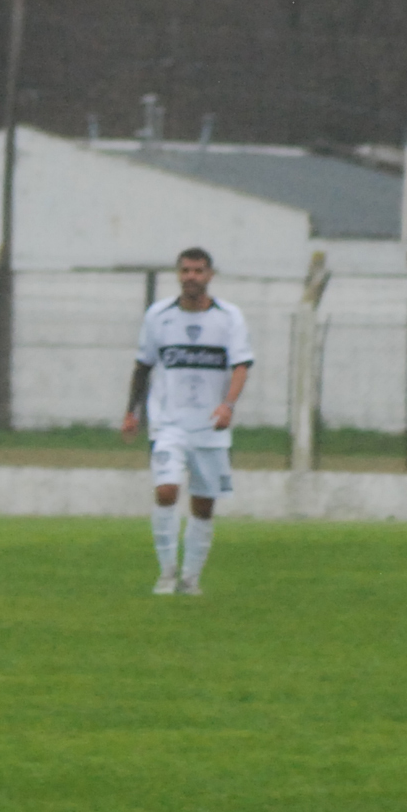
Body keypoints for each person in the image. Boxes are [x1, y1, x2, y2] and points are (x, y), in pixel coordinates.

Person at [121, 248, 254, 594]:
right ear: (178, 275)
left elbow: (241, 365)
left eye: (198, 271)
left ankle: (190, 578)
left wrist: (228, 405)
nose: (191, 277)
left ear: (210, 275)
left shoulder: (229, 317)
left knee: (203, 504)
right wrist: (131, 412)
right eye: (185, 271)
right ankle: (166, 572)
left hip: (211, 426)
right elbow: (144, 365)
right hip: (168, 423)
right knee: (166, 490)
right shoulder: (159, 315)